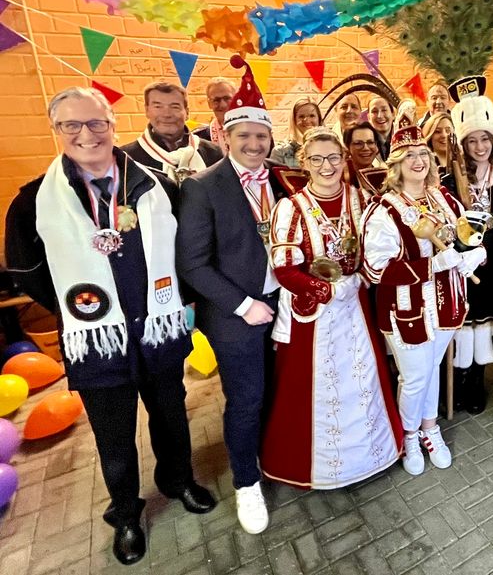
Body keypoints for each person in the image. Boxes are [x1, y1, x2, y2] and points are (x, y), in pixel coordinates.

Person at [5, 87, 214, 565]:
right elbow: (28, 273)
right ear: (56, 130)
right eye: (72, 125)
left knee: (171, 416)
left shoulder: (155, 186)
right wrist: (85, 311)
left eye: (96, 122)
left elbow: (182, 252)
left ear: (113, 125)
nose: (86, 134)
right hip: (98, 340)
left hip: (157, 329)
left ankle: (178, 480)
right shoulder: (34, 200)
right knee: (113, 436)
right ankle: (125, 512)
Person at [176, 62, 290, 535]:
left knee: (280, 388)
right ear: (225, 136)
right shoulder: (202, 187)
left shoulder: (284, 178)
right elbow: (192, 264)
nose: (254, 144)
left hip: (284, 303)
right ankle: (246, 482)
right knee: (246, 398)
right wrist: (245, 305)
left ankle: (276, 455)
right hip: (234, 313)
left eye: (261, 136)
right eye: (244, 135)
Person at [260, 127, 403, 488]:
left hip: (357, 306)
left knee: (363, 377)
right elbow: (284, 269)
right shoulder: (290, 207)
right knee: (314, 390)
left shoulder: (362, 200)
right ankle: (315, 467)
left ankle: (372, 454)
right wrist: (326, 289)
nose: (327, 166)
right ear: (304, 163)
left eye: (334, 157)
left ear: (344, 159)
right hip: (313, 317)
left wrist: (361, 279)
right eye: (317, 159)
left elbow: (378, 251)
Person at [361, 114, 483, 475]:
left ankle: (430, 429)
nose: (419, 160)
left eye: (423, 154)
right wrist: (433, 265)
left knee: (430, 369)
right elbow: (376, 270)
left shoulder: (443, 198)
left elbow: (467, 236)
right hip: (407, 312)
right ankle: (409, 436)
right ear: (396, 165)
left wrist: (475, 253)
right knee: (414, 378)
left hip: (446, 305)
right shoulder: (383, 211)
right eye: (409, 155)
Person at [441, 76, 493, 414]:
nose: (480, 146)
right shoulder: (449, 181)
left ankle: (476, 381)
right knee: (462, 322)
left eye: (485, 139)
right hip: (461, 266)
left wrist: (488, 250)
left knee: (485, 323)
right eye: (472, 141)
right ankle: (458, 380)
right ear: (463, 144)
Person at [122, 81, 222, 183]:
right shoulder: (127, 159)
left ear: (187, 112)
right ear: (147, 111)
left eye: (175, 107)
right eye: (158, 107)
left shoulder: (213, 153)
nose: (166, 114)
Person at [271, 98, 322, 167]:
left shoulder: (331, 148)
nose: (307, 120)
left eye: (312, 116)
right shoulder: (280, 152)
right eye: (301, 116)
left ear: (319, 118)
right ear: (294, 120)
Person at [194, 77, 236, 153]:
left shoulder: (254, 133)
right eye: (216, 100)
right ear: (209, 104)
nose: (223, 105)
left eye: (227, 98)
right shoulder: (198, 140)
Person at [423, 112, 454, 176]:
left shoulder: (465, 163)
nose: (444, 135)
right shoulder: (423, 165)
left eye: (448, 130)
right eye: (437, 131)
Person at [368, 96, 394, 161]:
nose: (379, 116)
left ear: (393, 114)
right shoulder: (364, 142)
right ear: (368, 118)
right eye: (374, 111)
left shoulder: (404, 138)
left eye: (384, 110)